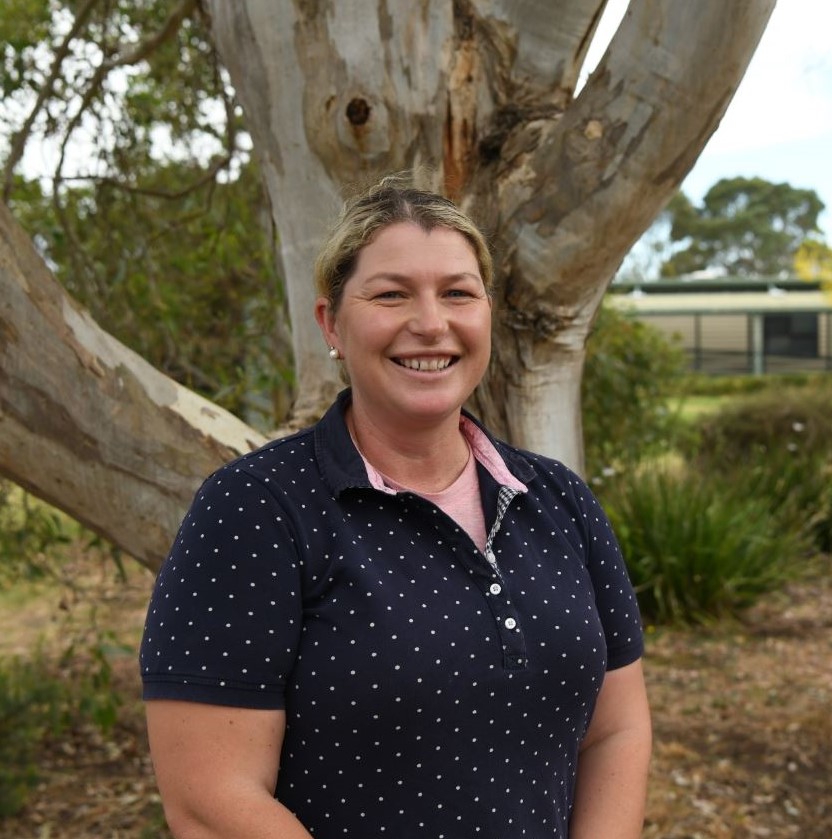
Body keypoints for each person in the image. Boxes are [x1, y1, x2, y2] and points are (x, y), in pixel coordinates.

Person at [140, 176, 652, 839]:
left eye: (458, 293)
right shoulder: (256, 509)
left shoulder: (559, 500)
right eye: (390, 294)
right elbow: (210, 798)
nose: (431, 323)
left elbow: (614, 729)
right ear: (330, 323)